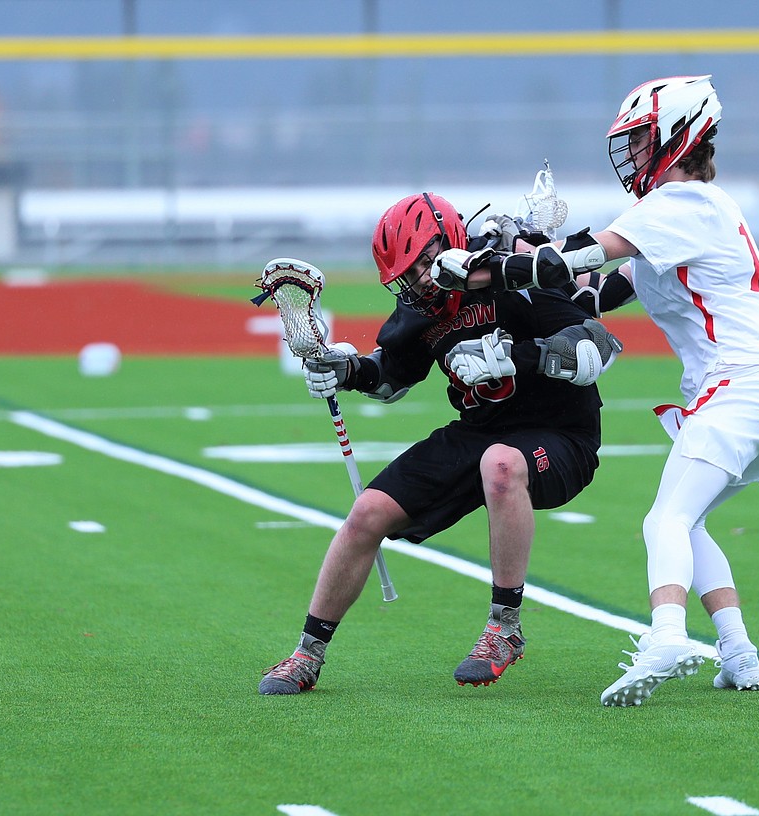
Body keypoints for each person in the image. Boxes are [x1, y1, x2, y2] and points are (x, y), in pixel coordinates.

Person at [432, 75, 759, 707]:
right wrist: (524, 267)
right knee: (689, 523)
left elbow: (575, 258)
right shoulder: (684, 214)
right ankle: (739, 653)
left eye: (640, 142)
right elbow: (595, 292)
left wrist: (485, 267)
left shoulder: (682, 203)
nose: (631, 156)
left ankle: (666, 638)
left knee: (664, 518)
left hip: (744, 383)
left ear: (676, 136)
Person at [258, 192, 622, 694]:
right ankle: (307, 653)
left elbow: (597, 348)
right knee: (367, 513)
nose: (422, 280)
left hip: (560, 433)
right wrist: (344, 370)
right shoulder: (422, 306)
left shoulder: (507, 274)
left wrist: (514, 356)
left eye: (427, 263)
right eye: (409, 274)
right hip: (480, 430)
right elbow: (390, 377)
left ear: (451, 242)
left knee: (500, 465)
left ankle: (504, 628)